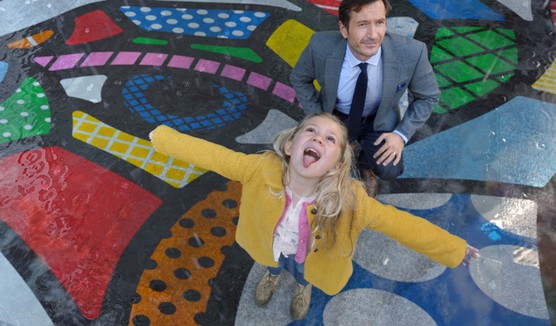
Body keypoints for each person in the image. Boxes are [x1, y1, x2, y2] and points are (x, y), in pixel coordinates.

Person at [149, 113, 478, 321]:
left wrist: (452, 248)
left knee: (304, 273)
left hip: (314, 257)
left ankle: (302, 288)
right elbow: (216, 156)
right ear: (291, 145)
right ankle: (274, 276)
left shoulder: (351, 200)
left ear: (337, 163)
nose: (318, 138)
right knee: (273, 261)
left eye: (330, 139)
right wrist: (164, 139)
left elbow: (401, 225)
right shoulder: (260, 169)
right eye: (311, 131)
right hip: (272, 244)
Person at [290, 0, 440, 197]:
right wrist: (318, 118)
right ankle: (346, 145)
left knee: (389, 169)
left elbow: (428, 97)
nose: (373, 35)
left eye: (379, 22)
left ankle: (365, 163)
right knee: (311, 165)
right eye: (362, 24)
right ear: (344, 29)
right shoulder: (320, 45)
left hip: (378, 120)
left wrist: (401, 135)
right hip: (335, 115)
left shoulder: (412, 53)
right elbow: (300, 78)